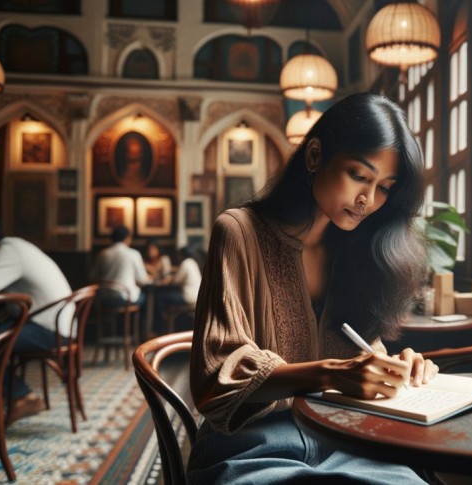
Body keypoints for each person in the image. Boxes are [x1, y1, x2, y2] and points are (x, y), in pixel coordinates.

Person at [188, 93, 439, 484]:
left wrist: (394, 367)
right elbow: (215, 378)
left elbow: (358, 349)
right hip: (253, 445)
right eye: (359, 175)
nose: (367, 200)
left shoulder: (363, 251)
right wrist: (330, 374)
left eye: (384, 187)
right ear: (315, 156)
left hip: (349, 438)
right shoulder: (238, 231)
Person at [0, 211, 74, 427]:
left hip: (49, 328)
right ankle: (21, 395)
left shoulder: (8, 251)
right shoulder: (13, 247)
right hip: (51, 323)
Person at [91, 225, 151, 308]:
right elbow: (143, 280)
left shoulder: (103, 254)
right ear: (127, 238)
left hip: (104, 297)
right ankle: (132, 321)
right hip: (125, 298)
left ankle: (112, 321)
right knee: (144, 297)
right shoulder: (133, 254)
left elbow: (92, 276)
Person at [152, 244, 202, 334]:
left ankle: (163, 322)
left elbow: (177, 280)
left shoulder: (186, 263)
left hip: (189, 298)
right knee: (167, 295)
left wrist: (169, 279)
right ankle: (165, 321)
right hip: (197, 296)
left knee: (161, 296)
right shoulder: (193, 262)